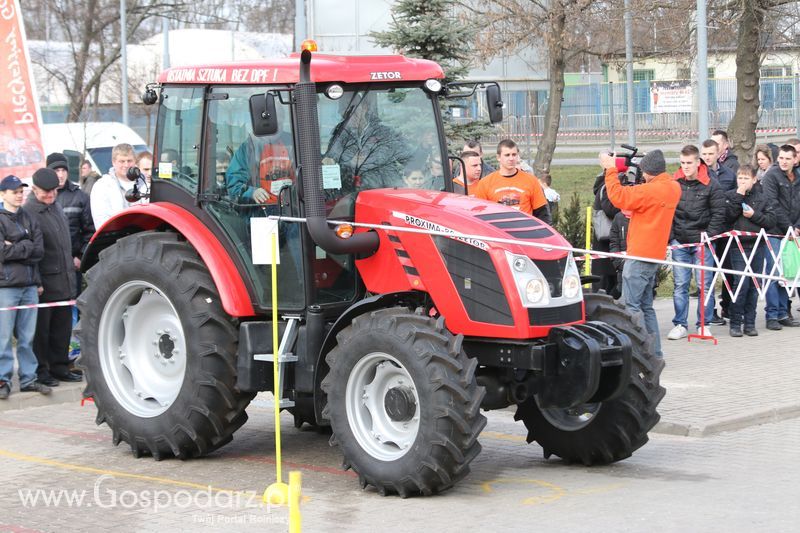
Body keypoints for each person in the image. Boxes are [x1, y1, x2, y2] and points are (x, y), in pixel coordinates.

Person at [600, 150, 681, 358]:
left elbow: (618, 197)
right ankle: (655, 354)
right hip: (654, 255)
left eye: (643, 172)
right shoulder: (673, 187)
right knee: (646, 307)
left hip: (639, 256)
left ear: (649, 172)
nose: (642, 175)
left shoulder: (649, 191)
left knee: (631, 307)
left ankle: (639, 354)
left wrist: (610, 169)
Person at [25, 168, 81, 385]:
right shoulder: (30, 212)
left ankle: (60, 366)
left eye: (53, 192)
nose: (50, 196)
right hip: (46, 283)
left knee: (62, 328)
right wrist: (37, 282)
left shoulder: (56, 207)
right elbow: (33, 253)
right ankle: (42, 370)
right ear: (34, 189)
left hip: (64, 280)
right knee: (42, 332)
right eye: (45, 193)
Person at [667, 144, 727, 340]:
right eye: (682, 163)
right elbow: (667, 210)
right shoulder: (673, 182)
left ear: (697, 162)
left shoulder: (711, 183)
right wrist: (672, 236)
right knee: (680, 285)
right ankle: (680, 324)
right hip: (680, 242)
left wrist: (708, 236)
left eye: (689, 163)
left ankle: (704, 323)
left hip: (702, 242)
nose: (685, 167)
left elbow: (719, 213)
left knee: (705, 285)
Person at [0, 175, 49, 398]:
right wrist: (26, 245)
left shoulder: (29, 217)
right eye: (14, 191)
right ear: (3, 195)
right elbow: (2, 252)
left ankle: (29, 379)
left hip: (30, 286)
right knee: (3, 338)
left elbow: (38, 251)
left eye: (21, 191)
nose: (19, 195)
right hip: (7, 287)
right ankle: (3, 380)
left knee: (27, 338)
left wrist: (16, 247)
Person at [724, 164, 775, 337]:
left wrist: (753, 215)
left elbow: (770, 221)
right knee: (741, 284)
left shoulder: (762, 198)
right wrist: (739, 195)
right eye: (740, 178)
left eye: (746, 178)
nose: (743, 181)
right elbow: (729, 216)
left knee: (754, 285)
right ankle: (736, 322)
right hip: (738, 246)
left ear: (754, 179)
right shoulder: (731, 196)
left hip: (757, 246)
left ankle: (750, 322)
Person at [48, 152, 94, 331]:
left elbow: (90, 230)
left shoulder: (80, 196)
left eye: (63, 170)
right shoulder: (43, 197)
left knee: (74, 305)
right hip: (49, 266)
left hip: (73, 264)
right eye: (56, 170)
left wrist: (80, 255)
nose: (60, 174)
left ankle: (72, 346)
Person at [760, 144, 800, 330]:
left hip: (793, 234)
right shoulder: (771, 176)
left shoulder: (798, 177)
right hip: (775, 231)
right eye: (781, 158)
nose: (783, 161)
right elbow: (773, 205)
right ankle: (772, 315)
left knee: (788, 273)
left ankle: (784, 312)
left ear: (795, 160)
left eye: (787, 158)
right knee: (774, 274)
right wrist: (789, 227)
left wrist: (796, 227)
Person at [473, 139, 551, 224]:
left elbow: (542, 213)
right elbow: (479, 216)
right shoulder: (485, 183)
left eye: (514, 155)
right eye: (507, 155)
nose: (511, 158)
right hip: (498, 233)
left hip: (525, 231)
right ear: (498, 157)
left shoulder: (531, 180)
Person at [700, 139, 736, 322]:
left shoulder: (729, 174)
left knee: (729, 270)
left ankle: (728, 307)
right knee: (709, 274)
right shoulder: (698, 174)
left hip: (726, 230)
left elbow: (735, 198)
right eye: (704, 154)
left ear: (718, 154)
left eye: (710, 154)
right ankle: (710, 311)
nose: (707, 157)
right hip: (707, 230)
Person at [90, 143, 138, 227]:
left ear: (135, 161)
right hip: (115, 237)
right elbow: (100, 220)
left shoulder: (145, 184)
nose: (126, 165)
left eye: (129, 161)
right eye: (122, 161)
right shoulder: (102, 186)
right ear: (113, 162)